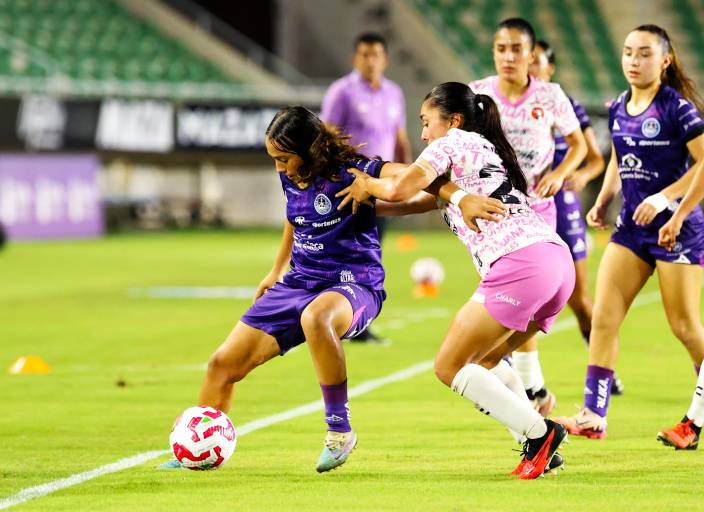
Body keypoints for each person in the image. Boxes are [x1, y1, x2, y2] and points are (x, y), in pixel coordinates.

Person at [160, 105, 503, 472]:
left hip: (355, 282)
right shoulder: (293, 174)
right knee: (221, 366)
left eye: (283, 159)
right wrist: (276, 269)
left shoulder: (355, 169)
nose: (278, 167)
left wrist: (458, 197)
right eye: (274, 158)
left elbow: (419, 177)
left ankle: (339, 431)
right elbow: (295, 216)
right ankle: (196, 453)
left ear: (308, 150)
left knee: (317, 317)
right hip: (298, 281)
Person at [338, 82, 575, 479]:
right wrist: (364, 203)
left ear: (454, 120)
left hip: (520, 265)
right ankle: (535, 443)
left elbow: (397, 187)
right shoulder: (481, 152)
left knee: (449, 366)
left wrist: (368, 182)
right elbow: (411, 202)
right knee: (483, 362)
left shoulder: (453, 142)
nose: (424, 133)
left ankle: (540, 434)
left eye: (427, 122)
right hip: (554, 262)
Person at [552, 25, 704, 447]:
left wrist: (671, 205)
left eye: (644, 54)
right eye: (628, 53)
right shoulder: (618, 105)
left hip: (679, 229)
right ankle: (592, 416)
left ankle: (697, 415)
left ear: (665, 60)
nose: (634, 62)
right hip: (632, 230)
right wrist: (603, 198)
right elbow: (620, 155)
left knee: (685, 326)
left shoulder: (678, 109)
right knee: (603, 317)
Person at [469, 18, 587, 415]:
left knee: (526, 306)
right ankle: (529, 390)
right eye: (501, 49)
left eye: (517, 49)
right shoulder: (477, 94)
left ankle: (523, 388)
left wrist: (559, 172)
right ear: (494, 52)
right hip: (492, 215)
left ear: (531, 54)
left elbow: (579, 145)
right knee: (509, 307)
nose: (508, 56)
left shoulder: (550, 96)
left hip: (536, 214)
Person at [529, 40, 624, 396]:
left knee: (579, 299)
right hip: (528, 210)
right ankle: (529, 381)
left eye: (537, 61)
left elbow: (595, 158)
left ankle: (604, 369)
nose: (531, 67)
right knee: (527, 296)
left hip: (564, 206)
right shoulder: (511, 106)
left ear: (550, 69)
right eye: (528, 61)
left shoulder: (562, 104)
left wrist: (582, 177)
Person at [321, 32, 412, 343]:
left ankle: (349, 320)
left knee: (370, 253)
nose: (369, 60)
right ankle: (342, 319)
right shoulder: (341, 92)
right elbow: (328, 137)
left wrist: (407, 178)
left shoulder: (394, 93)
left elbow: (398, 137)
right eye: (363, 54)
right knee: (349, 254)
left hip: (381, 187)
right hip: (349, 187)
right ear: (354, 59)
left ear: (385, 59)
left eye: (375, 55)